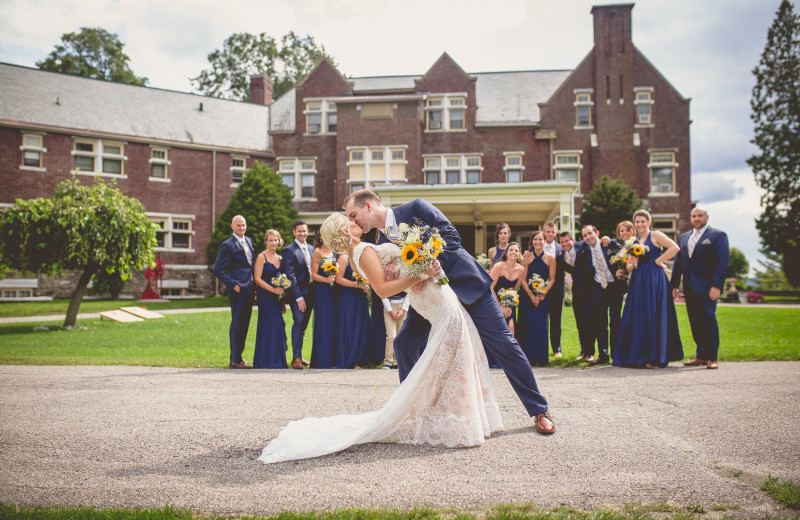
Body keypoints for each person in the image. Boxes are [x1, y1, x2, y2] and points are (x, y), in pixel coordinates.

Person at [259, 213, 503, 464]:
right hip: (430, 292)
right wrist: (420, 274)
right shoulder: (362, 251)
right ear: (345, 232)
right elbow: (383, 289)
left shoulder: (359, 253)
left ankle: (458, 415)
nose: (356, 222)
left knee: (456, 344)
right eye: (350, 222)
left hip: (430, 290)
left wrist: (410, 266)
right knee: (454, 343)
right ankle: (456, 419)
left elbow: (389, 274)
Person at [343, 189, 555, 434]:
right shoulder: (379, 243)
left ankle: (540, 410)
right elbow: (396, 277)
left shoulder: (416, 208)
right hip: (433, 300)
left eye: (353, 214)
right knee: (404, 342)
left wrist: (422, 263)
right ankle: (413, 414)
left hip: (467, 286)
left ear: (368, 205)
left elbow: (451, 238)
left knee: (504, 344)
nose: (352, 221)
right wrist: (400, 273)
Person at [614, 210, 683, 369]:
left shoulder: (656, 235)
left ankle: (655, 358)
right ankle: (640, 356)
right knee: (639, 315)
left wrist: (659, 261)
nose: (639, 224)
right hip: (638, 279)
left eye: (642, 221)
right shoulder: (634, 240)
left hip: (654, 278)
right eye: (637, 222)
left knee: (654, 313)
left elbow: (674, 248)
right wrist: (630, 264)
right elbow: (631, 266)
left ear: (649, 222)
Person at [671, 207, 729, 370]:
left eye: (700, 216)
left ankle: (712, 357)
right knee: (695, 322)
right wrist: (674, 285)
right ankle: (701, 355)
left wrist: (716, 286)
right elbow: (679, 263)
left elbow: (722, 263)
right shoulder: (684, 238)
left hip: (708, 288)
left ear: (706, 217)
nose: (697, 219)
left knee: (709, 319)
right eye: (694, 216)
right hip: (689, 288)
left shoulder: (717, 235)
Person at [212, 215, 255, 369]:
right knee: (237, 324)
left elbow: (250, 265)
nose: (241, 228)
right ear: (232, 227)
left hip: (249, 288)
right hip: (238, 289)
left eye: (243, 225)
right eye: (238, 225)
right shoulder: (227, 245)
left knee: (244, 324)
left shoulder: (248, 241)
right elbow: (217, 269)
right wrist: (232, 284)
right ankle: (234, 360)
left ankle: (239, 358)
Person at [570, 225, 614, 363]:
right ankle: (603, 354)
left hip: (614, 287)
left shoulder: (609, 244)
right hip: (599, 288)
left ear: (597, 233)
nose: (588, 237)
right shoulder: (584, 250)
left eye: (590, 233)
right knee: (600, 323)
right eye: (585, 235)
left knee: (615, 322)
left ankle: (618, 354)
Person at [252, 229, 289, 369]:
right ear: (266, 241)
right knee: (268, 327)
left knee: (279, 327)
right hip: (266, 297)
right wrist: (272, 289)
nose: (274, 242)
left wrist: (283, 299)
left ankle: (278, 361)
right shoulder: (262, 257)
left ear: (279, 241)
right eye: (271, 240)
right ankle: (264, 362)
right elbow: (257, 278)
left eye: (276, 240)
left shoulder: (280, 259)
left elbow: (283, 280)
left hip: (277, 299)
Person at [518, 232, 556, 366]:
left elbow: (552, 279)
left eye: (540, 239)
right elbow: (522, 279)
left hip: (543, 297)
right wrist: (531, 295)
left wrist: (543, 292)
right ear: (532, 241)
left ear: (545, 241)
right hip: (527, 296)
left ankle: (541, 358)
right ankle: (527, 358)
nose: (538, 242)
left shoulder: (550, 259)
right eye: (535, 239)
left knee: (541, 326)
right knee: (527, 325)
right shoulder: (526, 258)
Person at [488, 242, 525, 368]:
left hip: (509, 304)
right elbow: (490, 288)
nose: (513, 252)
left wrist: (509, 304)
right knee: (499, 330)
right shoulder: (498, 266)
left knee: (511, 328)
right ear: (507, 252)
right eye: (511, 250)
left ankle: (509, 359)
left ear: (519, 254)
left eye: (516, 250)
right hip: (494, 302)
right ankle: (495, 359)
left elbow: (515, 289)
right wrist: (499, 307)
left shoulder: (521, 270)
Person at [283, 221, 314, 369]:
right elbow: (290, 276)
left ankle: (300, 356)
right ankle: (296, 358)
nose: (302, 234)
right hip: (298, 296)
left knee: (304, 326)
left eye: (304, 231)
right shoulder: (290, 250)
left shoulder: (312, 249)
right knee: (299, 322)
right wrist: (298, 297)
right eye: (299, 231)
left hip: (312, 295)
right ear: (294, 232)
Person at [334, 253, 370, 369]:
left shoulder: (360, 257)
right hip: (347, 297)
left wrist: (366, 284)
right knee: (349, 325)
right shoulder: (343, 258)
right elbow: (338, 279)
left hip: (360, 296)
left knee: (360, 325)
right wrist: (356, 285)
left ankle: (359, 358)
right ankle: (349, 359)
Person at [606, 221, 635, 361]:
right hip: (619, 289)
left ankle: (632, 351)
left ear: (633, 231)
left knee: (632, 319)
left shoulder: (636, 246)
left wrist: (627, 275)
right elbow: (608, 241)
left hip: (635, 286)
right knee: (615, 321)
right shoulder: (619, 248)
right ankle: (616, 353)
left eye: (627, 230)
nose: (624, 233)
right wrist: (622, 274)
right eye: (621, 231)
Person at [310, 234, 337, 369]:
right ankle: (321, 360)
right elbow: (313, 274)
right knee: (323, 323)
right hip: (322, 292)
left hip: (334, 292)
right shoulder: (318, 252)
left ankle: (333, 359)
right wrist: (327, 280)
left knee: (334, 324)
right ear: (320, 236)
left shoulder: (335, 250)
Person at [542, 221, 564, 358]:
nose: (550, 234)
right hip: (540, 290)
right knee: (541, 320)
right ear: (544, 232)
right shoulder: (537, 247)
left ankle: (557, 349)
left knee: (556, 321)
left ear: (556, 233)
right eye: (548, 231)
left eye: (553, 232)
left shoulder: (561, 249)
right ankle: (541, 349)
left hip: (557, 291)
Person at [380, 291, 409, 369]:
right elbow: (382, 292)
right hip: (389, 306)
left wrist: (403, 309)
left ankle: (397, 362)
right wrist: (390, 310)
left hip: (403, 306)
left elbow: (409, 292)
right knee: (391, 336)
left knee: (400, 336)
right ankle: (388, 362)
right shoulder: (387, 278)